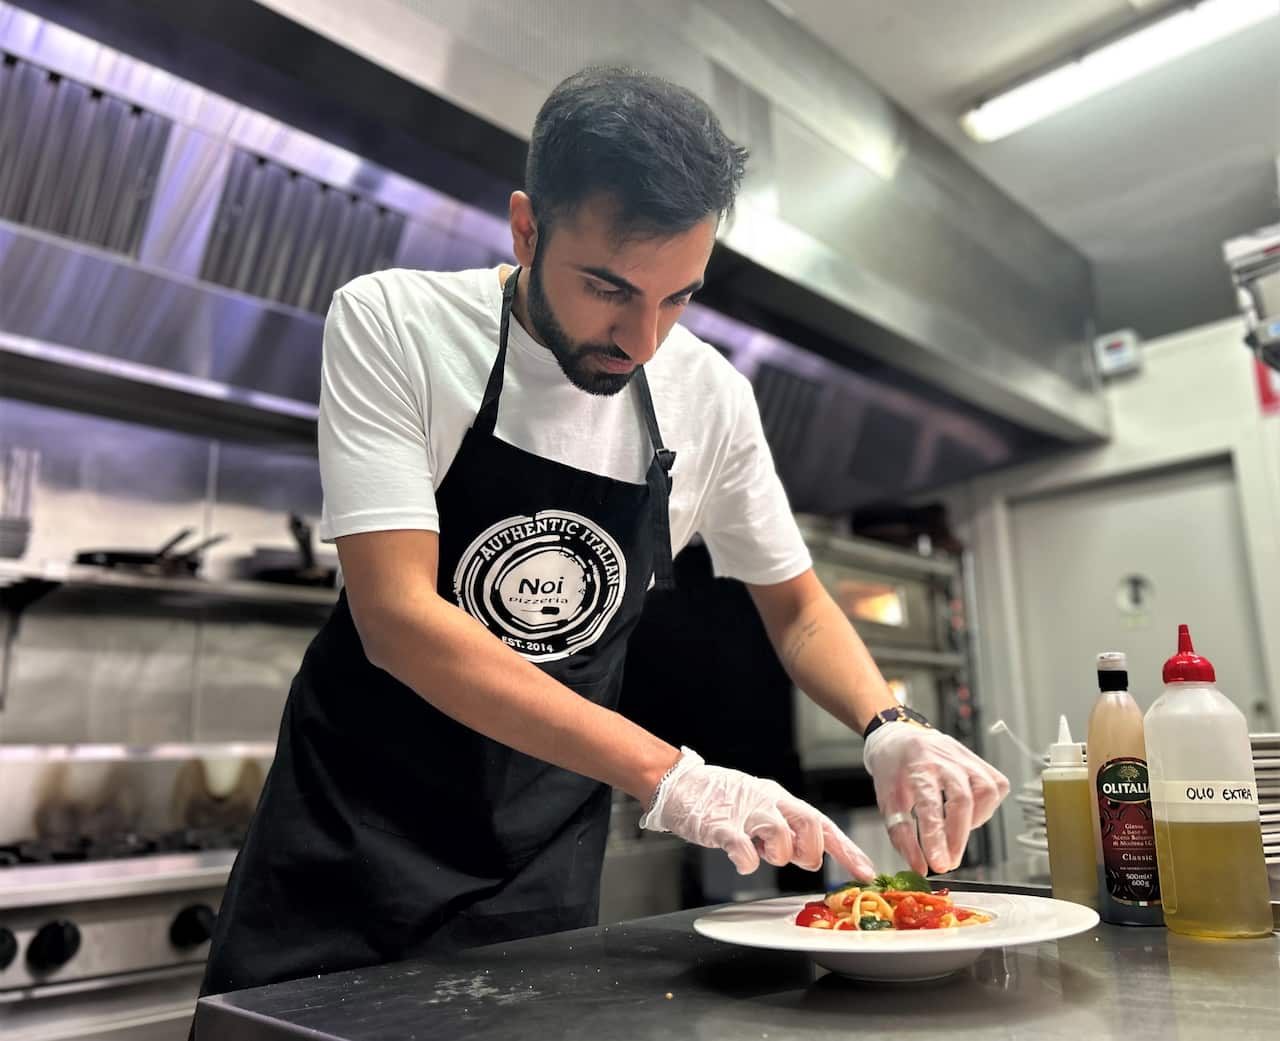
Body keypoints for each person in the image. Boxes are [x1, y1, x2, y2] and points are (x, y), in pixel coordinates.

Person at [200, 66, 1008, 997]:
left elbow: (797, 606)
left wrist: (888, 725)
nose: (643, 339)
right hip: (341, 857)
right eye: (608, 288)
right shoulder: (398, 324)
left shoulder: (711, 397)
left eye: (678, 297)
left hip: (535, 875)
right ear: (525, 228)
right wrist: (676, 778)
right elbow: (397, 618)